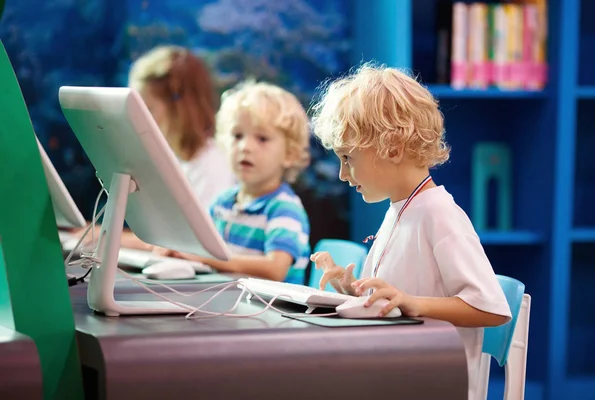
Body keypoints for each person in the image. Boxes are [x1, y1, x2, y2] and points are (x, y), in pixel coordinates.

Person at [309, 63, 511, 400]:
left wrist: (411, 303)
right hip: (398, 374)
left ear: (391, 147)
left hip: (435, 383)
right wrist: (352, 290)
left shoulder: (439, 214)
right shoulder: (399, 210)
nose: (344, 175)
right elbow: (393, 299)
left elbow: (491, 309)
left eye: (348, 158)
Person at [75, 46, 236, 250]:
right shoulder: (170, 159)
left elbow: (194, 246)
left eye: (146, 108)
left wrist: (107, 236)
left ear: (180, 107)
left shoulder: (212, 166)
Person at [156, 81, 311, 283]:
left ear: (289, 153)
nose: (245, 146)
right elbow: (202, 246)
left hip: (273, 312)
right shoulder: (223, 202)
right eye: (237, 136)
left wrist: (207, 258)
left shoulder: (284, 209)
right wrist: (180, 249)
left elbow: (275, 269)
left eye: (262, 139)